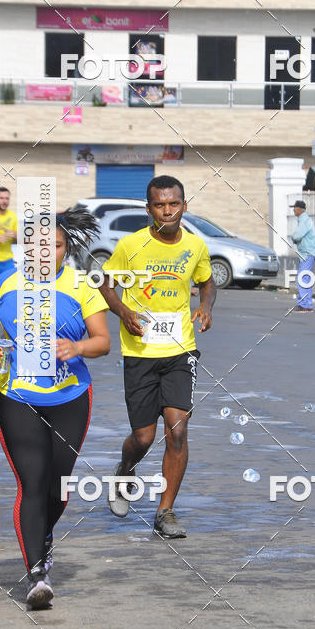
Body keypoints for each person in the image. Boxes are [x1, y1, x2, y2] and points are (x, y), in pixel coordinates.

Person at [0, 207, 110, 610]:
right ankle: (36, 573)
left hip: (69, 396)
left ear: (67, 250)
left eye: (57, 246)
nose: (47, 252)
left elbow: (102, 341)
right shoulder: (6, 283)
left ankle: (42, 535)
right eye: (39, 245)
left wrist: (78, 347)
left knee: (60, 484)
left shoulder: (82, 286)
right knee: (32, 482)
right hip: (16, 396)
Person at [100, 175, 216, 540]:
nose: (168, 211)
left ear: (184, 205)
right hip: (139, 352)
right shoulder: (131, 245)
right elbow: (106, 282)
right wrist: (123, 312)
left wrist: (206, 306)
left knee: (177, 431)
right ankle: (124, 469)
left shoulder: (196, 246)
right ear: (148, 209)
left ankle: (165, 511)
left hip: (180, 349)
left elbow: (207, 280)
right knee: (144, 436)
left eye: (174, 204)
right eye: (160, 205)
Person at [290, 200, 315, 313]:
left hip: (307, 253)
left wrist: (293, 238)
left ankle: (304, 305)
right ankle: (307, 304)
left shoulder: (304, 220)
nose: (293, 210)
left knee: (302, 279)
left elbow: (297, 235)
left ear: (298, 209)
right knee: (306, 279)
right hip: (307, 253)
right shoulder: (304, 220)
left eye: (294, 208)